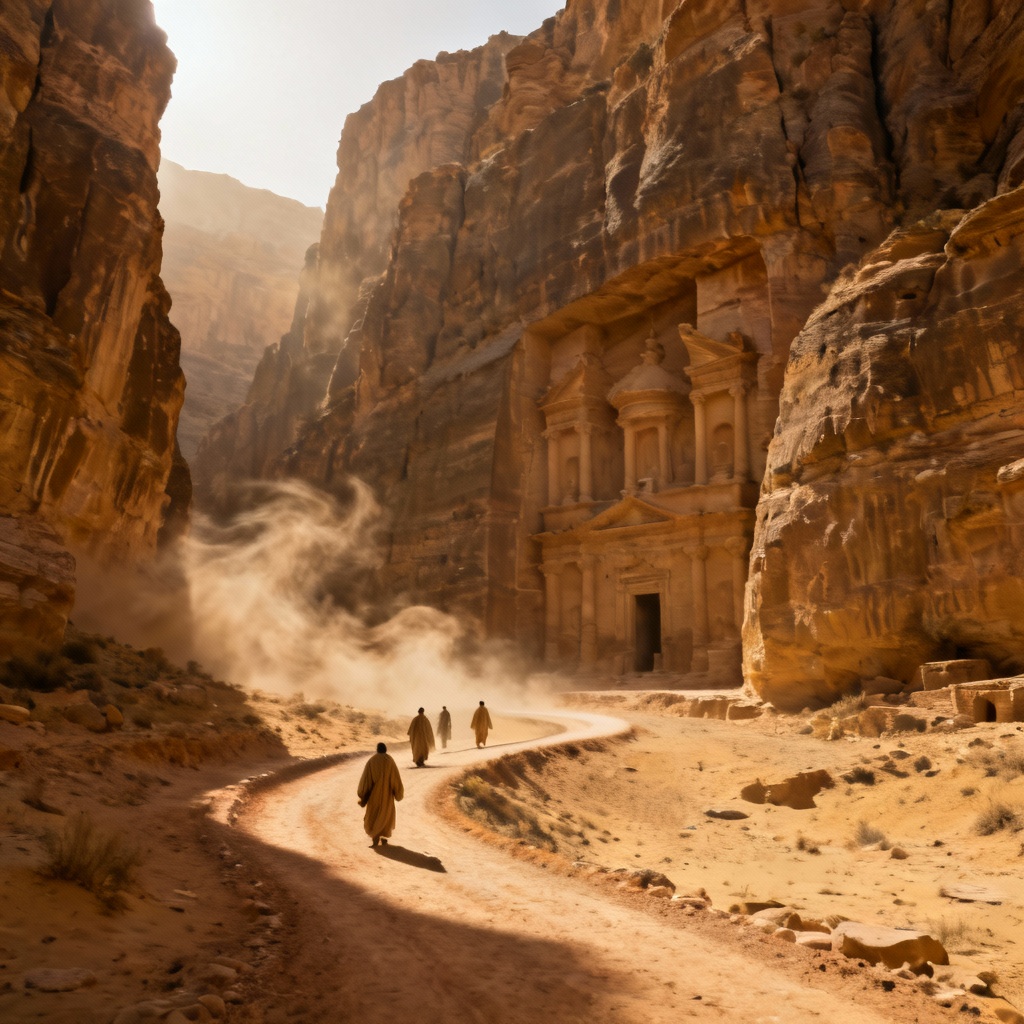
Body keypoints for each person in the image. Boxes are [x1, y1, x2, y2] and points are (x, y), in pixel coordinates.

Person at [357, 742, 404, 848]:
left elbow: (366, 779)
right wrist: (398, 793)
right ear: (385, 750)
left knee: (374, 815)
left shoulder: (372, 761)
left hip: (374, 796)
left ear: (377, 750)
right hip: (387, 796)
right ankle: (383, 837)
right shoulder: (390, 761)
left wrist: (363, 793)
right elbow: (395, 779)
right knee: (385, 816)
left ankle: (375, 838)